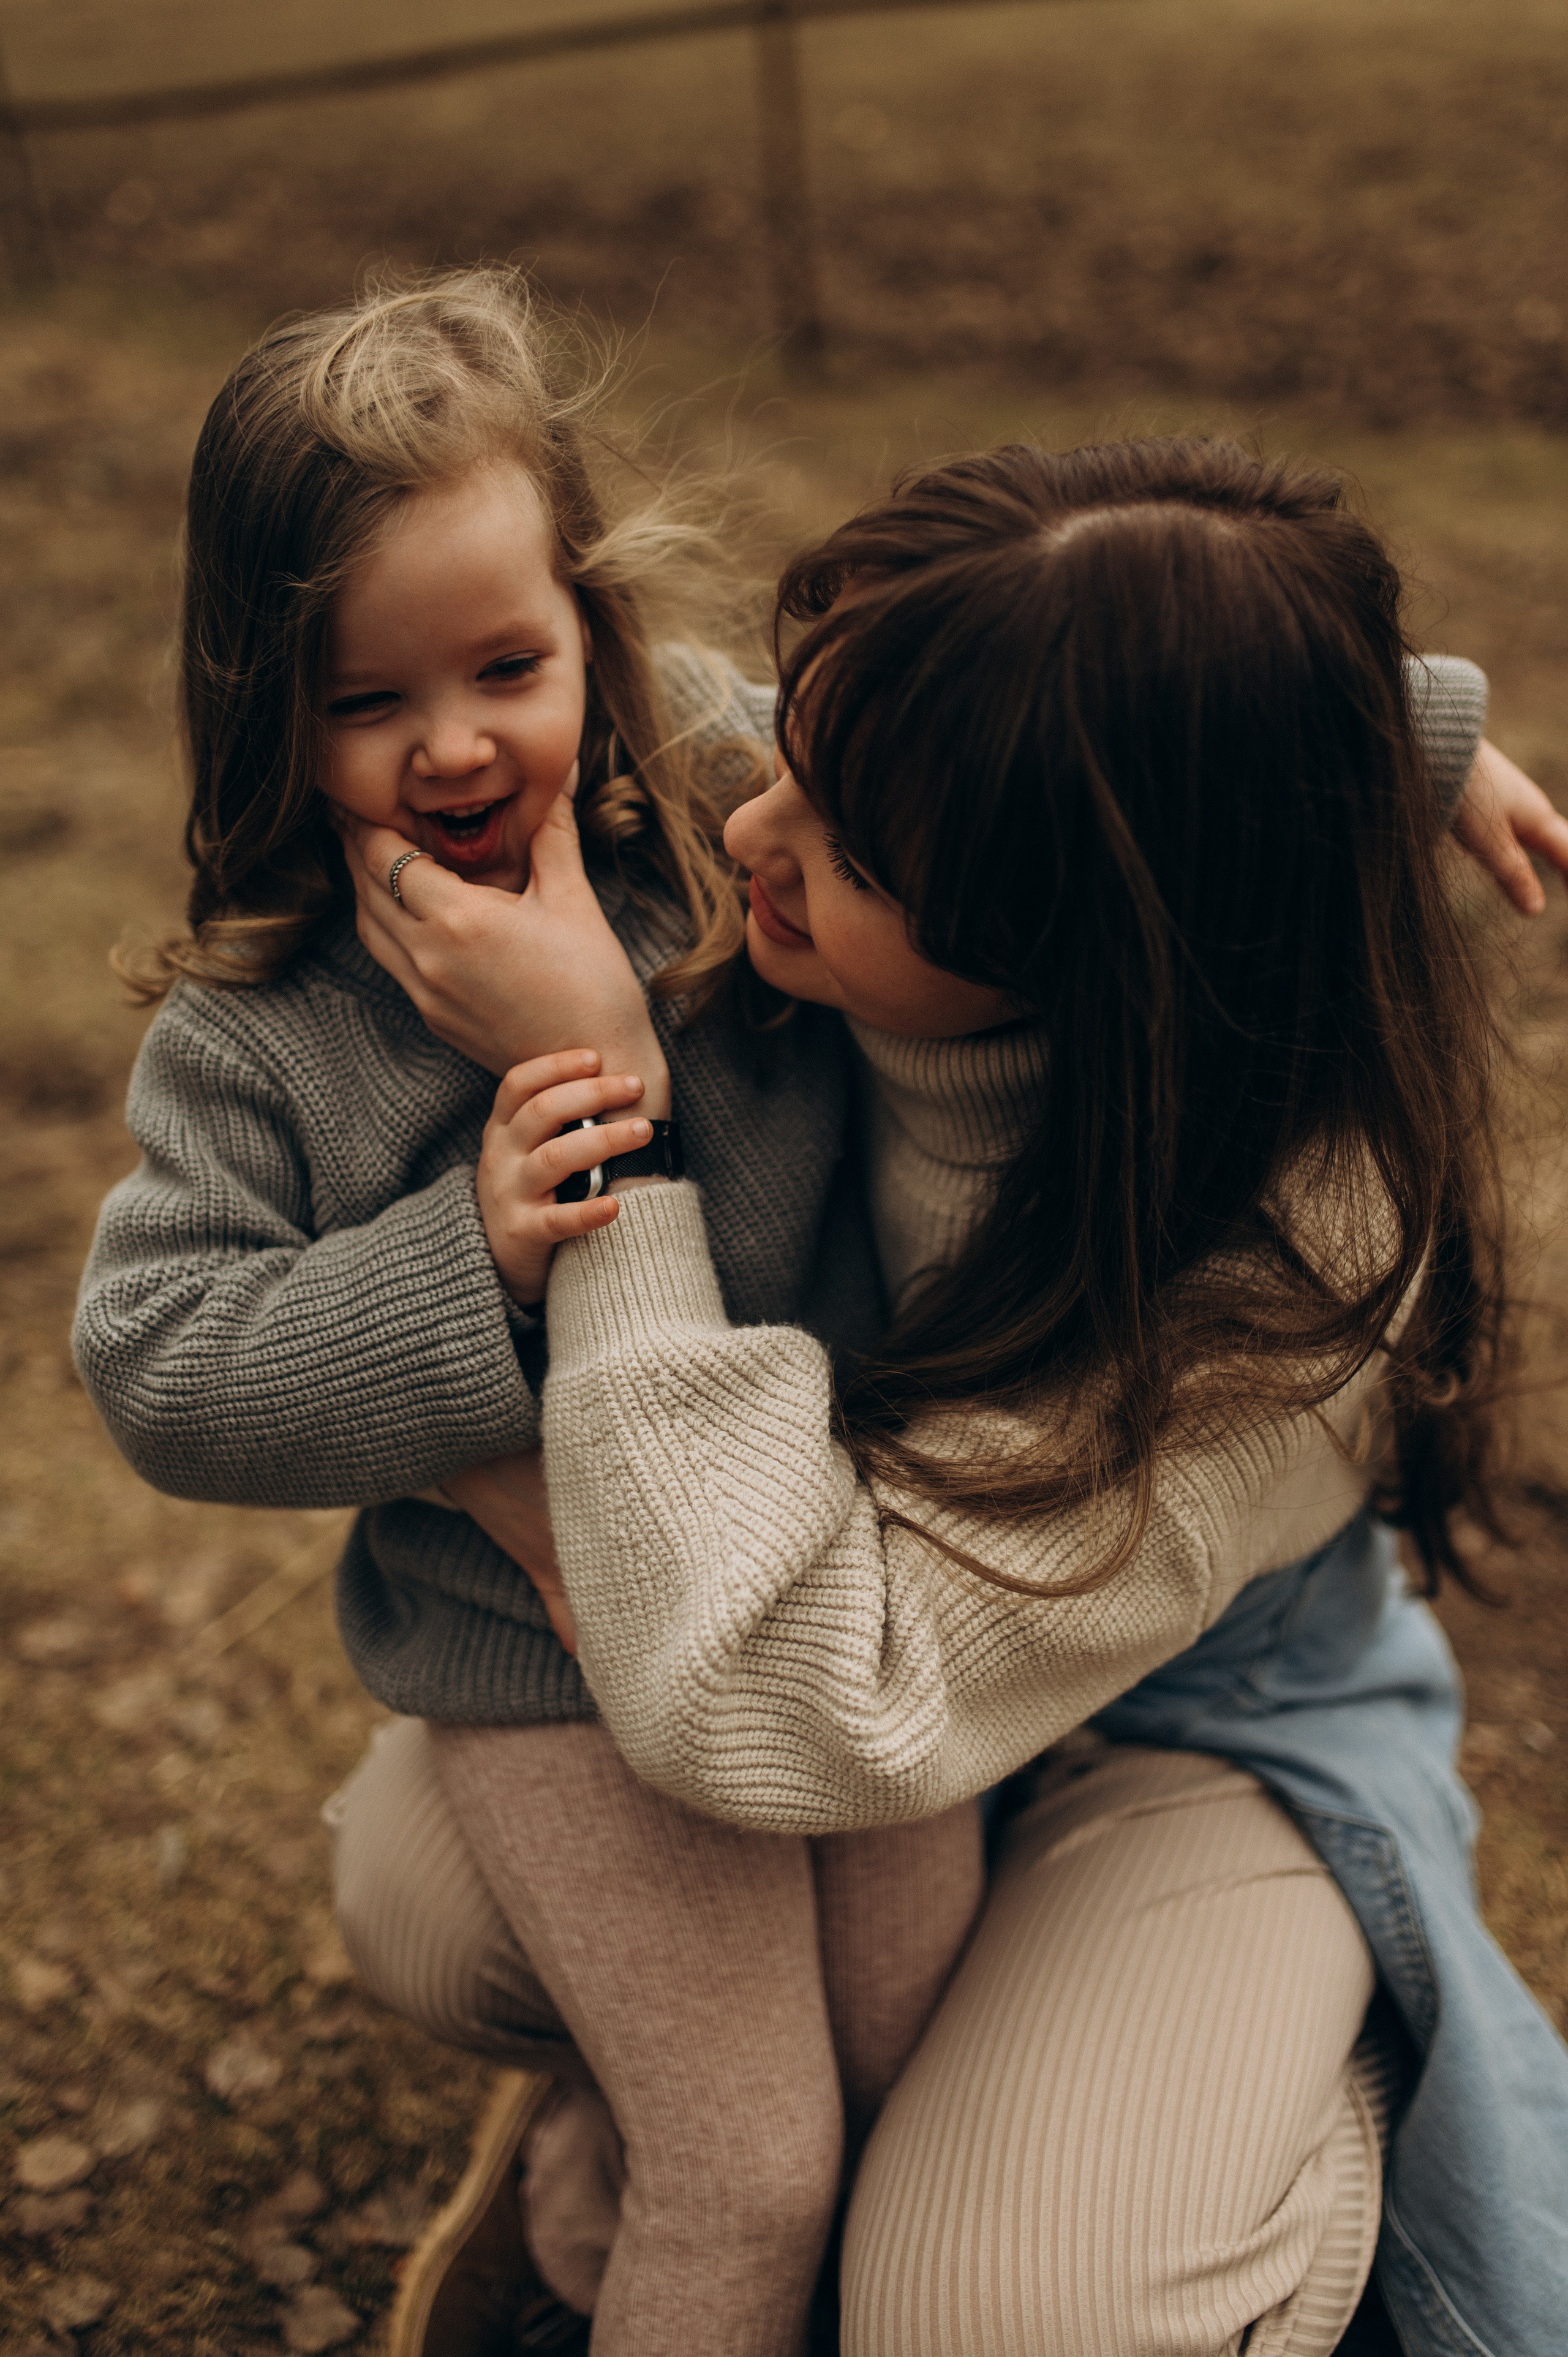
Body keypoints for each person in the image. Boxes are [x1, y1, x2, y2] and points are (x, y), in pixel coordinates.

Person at [339, 437, 1568, 2357]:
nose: (750, 833)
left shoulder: (1296, 1260)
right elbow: (1134, 714)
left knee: (995, 2312)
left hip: (1163, 1733)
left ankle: (1288, 2146)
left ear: (1104, 943)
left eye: (845, 849)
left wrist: (617, 1137)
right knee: (428, 1904)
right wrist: (1408, 733)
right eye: (800, 764)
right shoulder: (969, 807)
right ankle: (749, 2117)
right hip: (830, 1646)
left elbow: (786, 1699)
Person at [71, 268, 986, 2357]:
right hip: (551, 1667)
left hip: (828, 1581)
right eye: (369, 701)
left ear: (596, 619)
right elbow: (162, 1368)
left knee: (900, 2040)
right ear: (262, 704)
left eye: (507, 662)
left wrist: (1412, 729)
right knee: (753, 2179)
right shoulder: (265, 1030)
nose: (458, 745)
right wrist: (466, 1258)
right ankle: (644, 2216)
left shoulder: (724, 809)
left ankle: (576, 2191)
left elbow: (1036, 730)